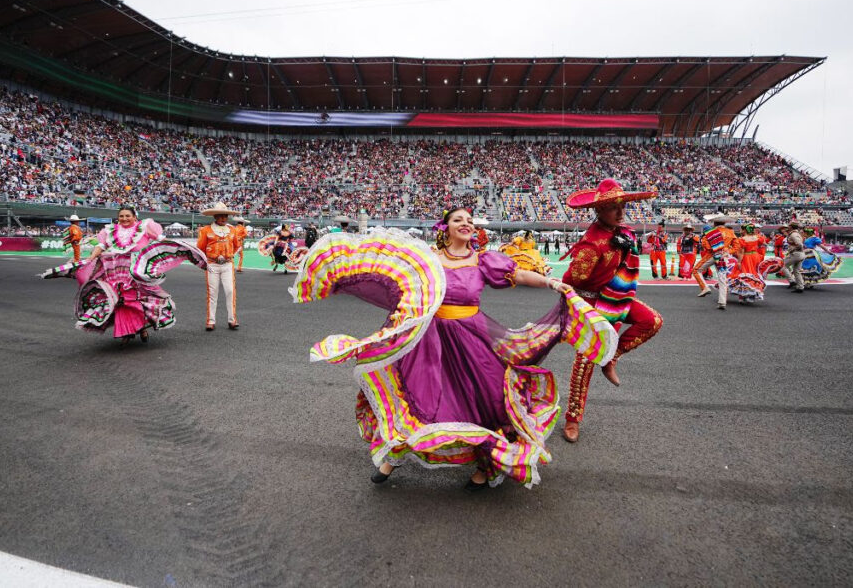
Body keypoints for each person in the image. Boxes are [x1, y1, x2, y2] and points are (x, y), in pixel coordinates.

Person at [294, 208, 616, 490]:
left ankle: (485, 465)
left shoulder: (483, 261)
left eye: (470, 221)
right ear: (444, 228)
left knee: (488, 396)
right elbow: (394, 285)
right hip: (430, 341)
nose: (466, 224)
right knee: (420, 399)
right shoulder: (427, 262)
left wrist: (552, 282)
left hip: (473, 338)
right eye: (459, 220)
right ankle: (393, 457)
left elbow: (517, 273)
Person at [559, 179, 664, 443]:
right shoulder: (591, 245)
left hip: (615, 299)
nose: (620, 212)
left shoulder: (624, 233)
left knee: (651, 321)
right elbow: (572, 280)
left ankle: (611, 356)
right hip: (591, 305)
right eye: (613, 207)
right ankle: (573, 420)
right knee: (584, 363)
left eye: (622, 205)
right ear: (599, 211)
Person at [45, 206, 205, 345]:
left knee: (140, 300)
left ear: (135, 217)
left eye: (128, 216)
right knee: (120, 301)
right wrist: (90, 259)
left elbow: (161, 240)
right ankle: (127, 332)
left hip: (137, 270)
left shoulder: (145, 226)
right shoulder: (110, 230)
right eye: (121, 216)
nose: (124, 219)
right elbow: (101, 246)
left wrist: (173, 248)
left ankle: (141, 328)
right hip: (116, 271)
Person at [197, 202, 242, 331]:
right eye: (221, 216)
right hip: (212, 265)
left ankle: (232, 319)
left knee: (230, 291)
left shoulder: (232, 230)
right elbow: (200, 248)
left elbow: (237, 245)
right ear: (215, 216)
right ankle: (211, 320)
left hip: (228, 265)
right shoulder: (206, 230)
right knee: (212, 293)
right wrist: (208, 260)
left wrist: (230, 256)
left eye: (226, 216)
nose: (224, 218)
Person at [693, 214, 740, 310]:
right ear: (724, 222)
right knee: (722, 279)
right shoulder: (730, 232)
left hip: (712, 255)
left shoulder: (711, 232)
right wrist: (727, 252)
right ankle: (722, 302)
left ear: (714, 222)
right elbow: (736, 246)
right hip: (724, 256)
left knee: (696, 270)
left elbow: (706, 245)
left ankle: (705, 288)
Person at [782, 221, 806, 293]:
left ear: (791, 227)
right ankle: (800, 287)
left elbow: (800, 245)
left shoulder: (793, 235)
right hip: (800, 254)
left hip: (796, 254)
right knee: (796, 271)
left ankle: (791, 281)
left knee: (783, 266)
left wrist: (793, 249)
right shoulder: (796, 234)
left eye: (789, 226)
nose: (788, 227)